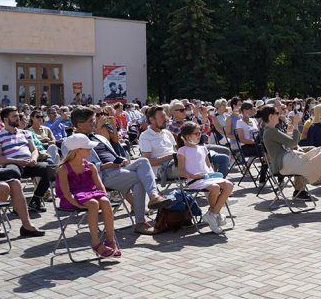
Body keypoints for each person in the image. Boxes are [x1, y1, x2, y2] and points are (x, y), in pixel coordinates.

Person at [67, 106, 171, 235]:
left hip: (117, 169)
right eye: (91, 121)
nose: (94, 123)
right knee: (139, 179)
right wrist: (104, 166)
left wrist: (121, 159)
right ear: (79, 125)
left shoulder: (98, 137)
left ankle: (153, 197)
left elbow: (113, 150)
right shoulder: (71, 142)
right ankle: (141, 221)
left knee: (143, 161)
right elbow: (76, 167)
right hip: (100, 175)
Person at [260, 105, 321, 210]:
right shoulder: (271, 131)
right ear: (270, 116)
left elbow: (289, 144)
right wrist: (295, 124)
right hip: (287, 163)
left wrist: (290, 133)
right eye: (277, 113)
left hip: (291, 161)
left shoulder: (271, 131)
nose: (279, 115)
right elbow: (293, 143)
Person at [57, 134, 120, 258]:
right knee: (93, 203)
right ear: (77, 150)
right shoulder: (64, 169)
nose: (91, 150)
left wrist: (104, 196)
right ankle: (95, 242)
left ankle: (110, 240)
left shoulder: (90, 166)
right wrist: (78, 205)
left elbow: (100, 186)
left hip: (90, 193)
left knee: (105, 201)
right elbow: (67, 193)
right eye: (87, 148)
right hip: (72, 198)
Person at [0, 107, 55, 213]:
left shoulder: (25, 133)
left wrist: (34, 159)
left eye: (18, 115)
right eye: (14, 116)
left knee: (50, 169)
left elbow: (34, 150)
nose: (18, 118)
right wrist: (17, 162)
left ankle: (36, 200)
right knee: (13, 171)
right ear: (5, 119)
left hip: (28, 164)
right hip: (12, 165)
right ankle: (18, 205)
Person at [175, 122, 233, 234]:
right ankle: (215, 214)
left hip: (207, 178)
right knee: (215, 188)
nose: (199, 135)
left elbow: (209, 166)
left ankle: (213, 213)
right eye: (196, 133)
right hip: (195, 180)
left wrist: (213, 174)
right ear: (187, 136)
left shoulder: (203, 148)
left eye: (200, 133)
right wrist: (194, 176)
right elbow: (181, 172)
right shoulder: (182, 150)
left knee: (229, 185)